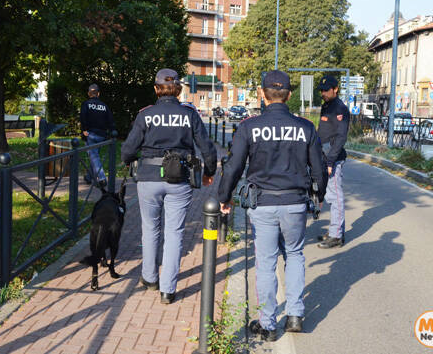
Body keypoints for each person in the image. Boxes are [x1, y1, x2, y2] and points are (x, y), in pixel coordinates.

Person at [218, 70, 326, 341]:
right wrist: (319, 195)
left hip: (262, 202)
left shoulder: (249, 127)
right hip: (295, 202)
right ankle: (294, 315)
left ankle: (267, 325)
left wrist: (224, 197)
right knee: (295, 254)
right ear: (288, 95)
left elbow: (233, 167)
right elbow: (319, 168)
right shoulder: (305, 127)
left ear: (262, 94)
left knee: (265, 262)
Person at [121, 68, 217, 304]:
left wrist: (128, 161)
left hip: (148, 178)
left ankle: (150, 277)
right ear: (179, 89)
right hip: (179, 178)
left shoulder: (146, 114)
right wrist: (209, 172)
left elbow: (128, 150)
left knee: (150, 229)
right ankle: (168, 289)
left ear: (156, 89)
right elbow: (207, 147)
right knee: (174, 233)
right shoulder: (189, 114)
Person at [316, 76, 350, 249]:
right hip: (324, 156)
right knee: (330, 195)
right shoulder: (327, 106)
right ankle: (334, 230)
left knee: (335, 197)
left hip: (334, 159)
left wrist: (330, 160)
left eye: (326, 89)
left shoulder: (340, 108)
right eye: (321, 90)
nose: (323, 93)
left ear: (335, 89)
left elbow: (340, 137)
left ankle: (336, 236)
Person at [80, 84, 115, 188]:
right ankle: (89, 177)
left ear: (88, 93)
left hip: (90, 134)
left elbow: (82, 117)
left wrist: (84, 130)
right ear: (98, 94)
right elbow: (110, 120)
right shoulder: (104, 106)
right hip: (101, 135)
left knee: (94, 156)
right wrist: (111, 132)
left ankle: (102, 178)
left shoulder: (86, 104)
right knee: (94, 156)